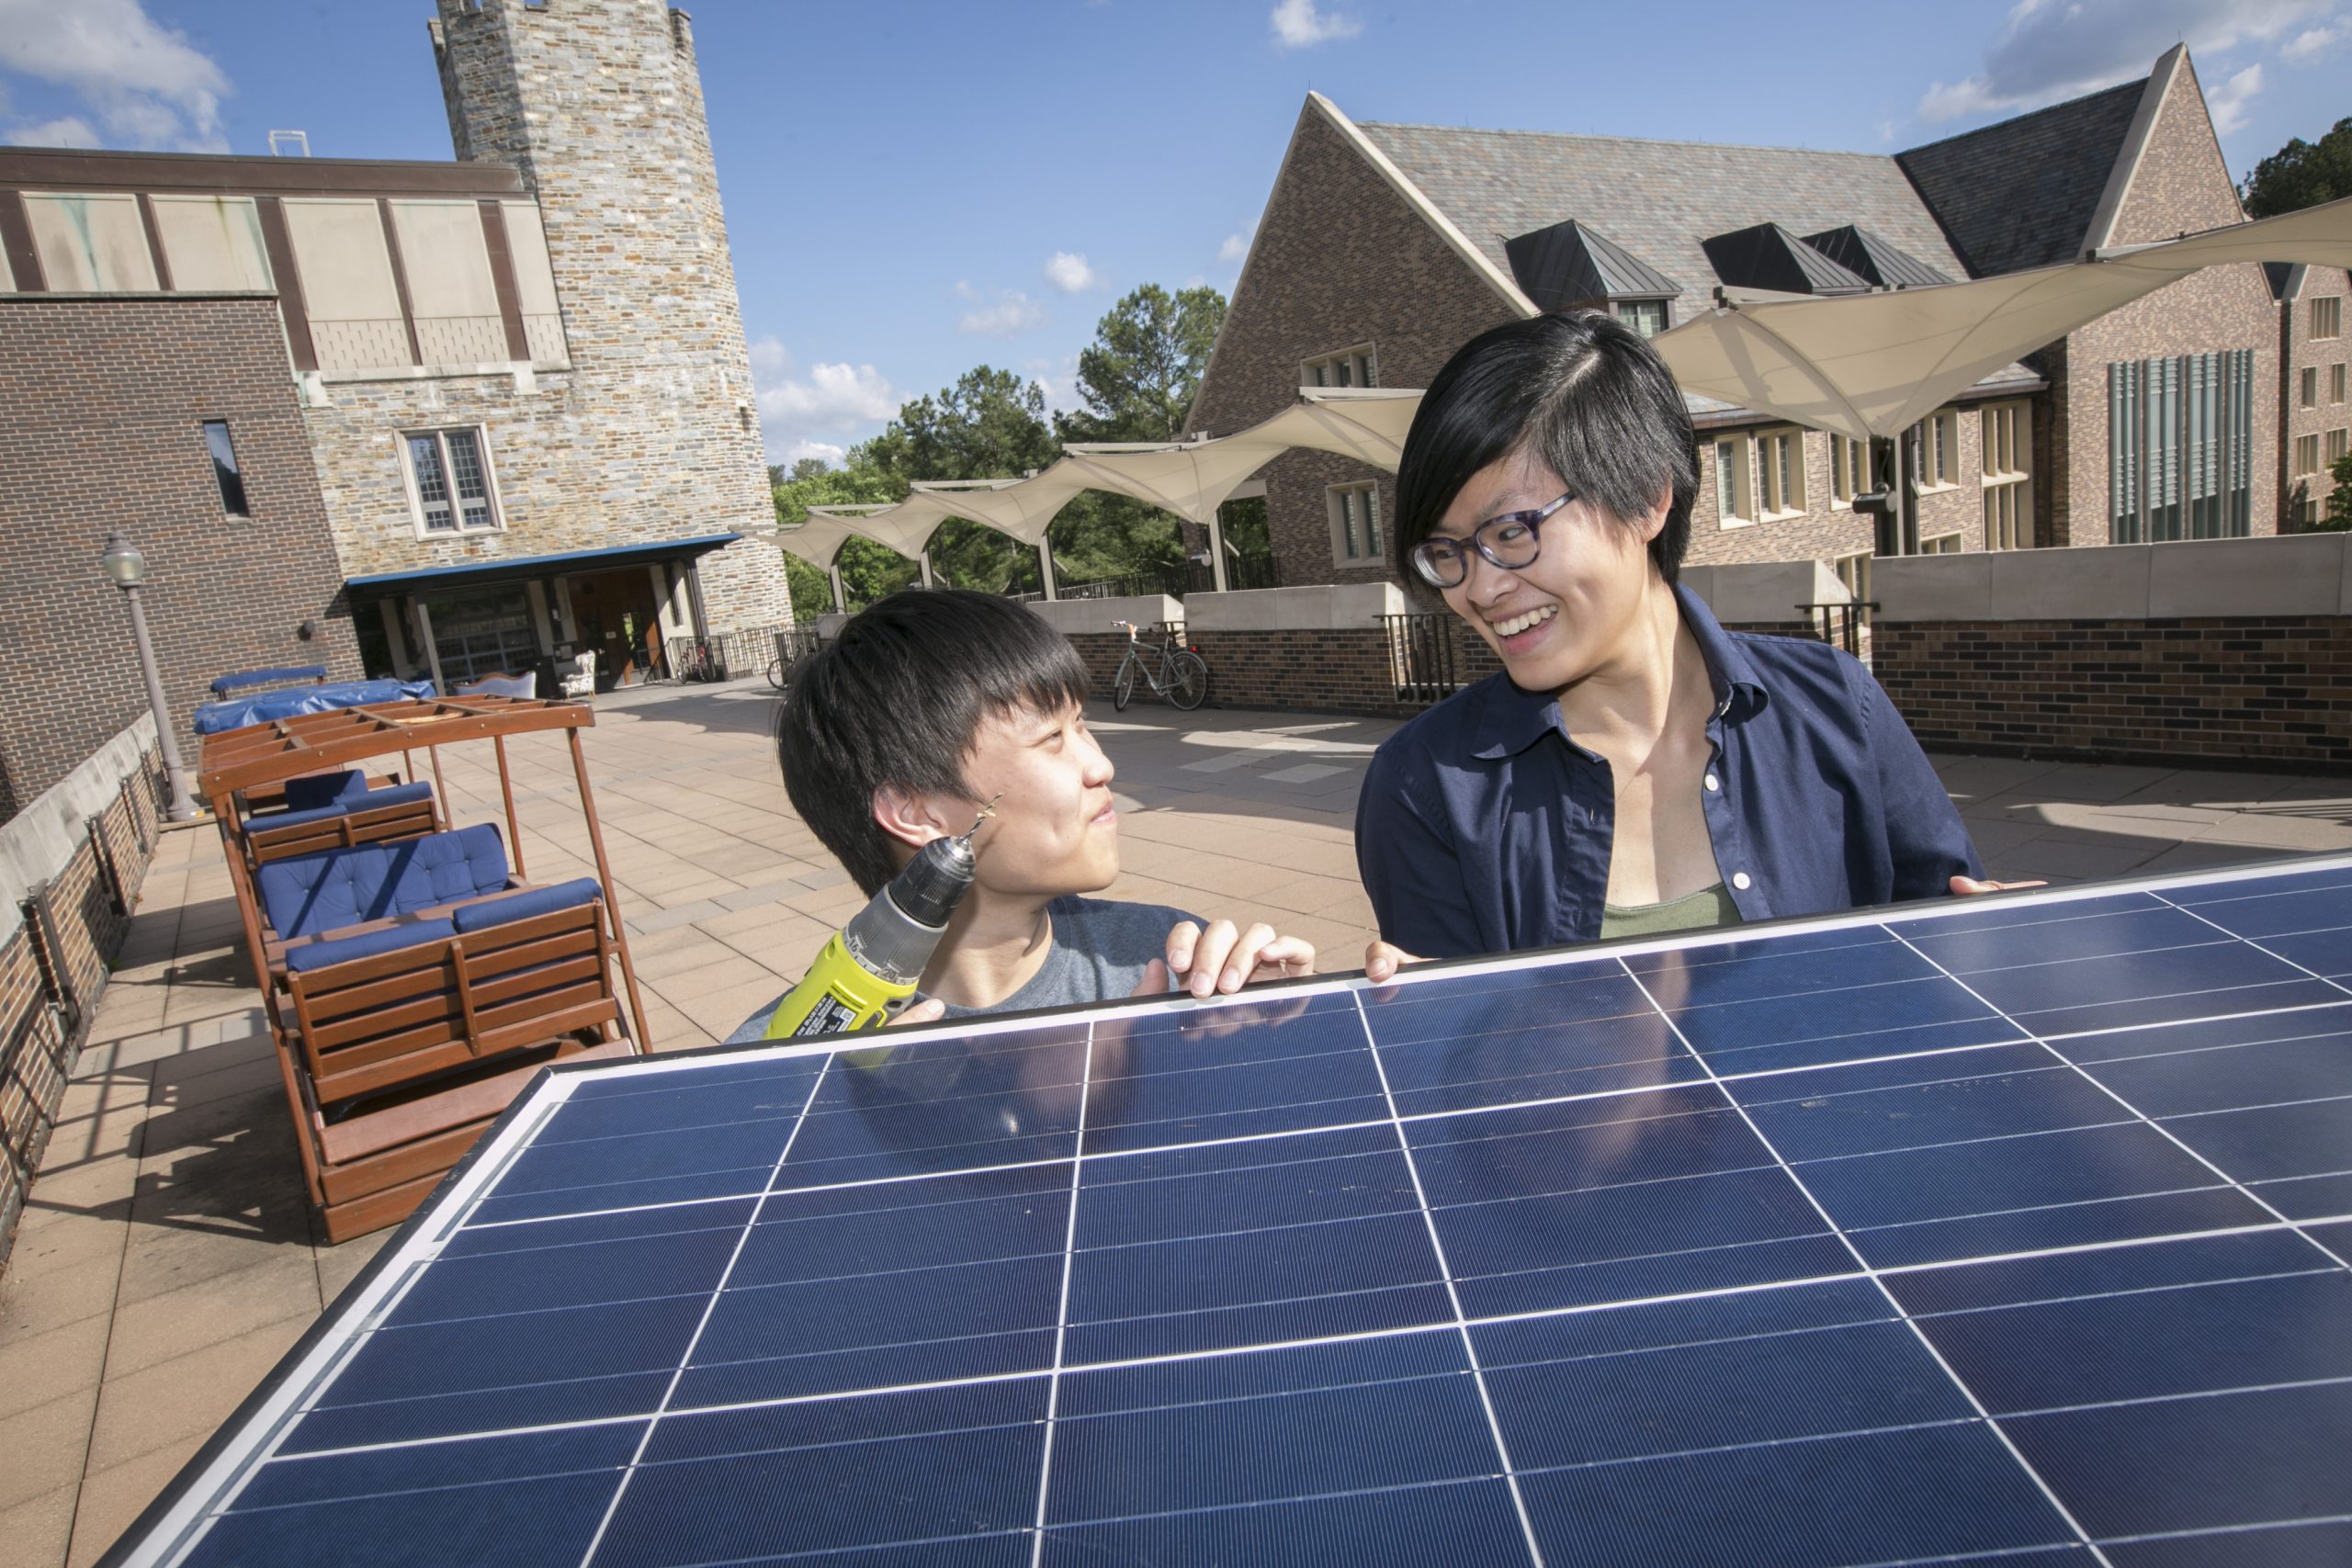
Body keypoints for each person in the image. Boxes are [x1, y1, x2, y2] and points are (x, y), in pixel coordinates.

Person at [1358, 310, 2024, 975]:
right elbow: (1452, 1061)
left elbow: (1946, 956)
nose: (1478, 588)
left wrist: (2019, 938)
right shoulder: (1423, 788)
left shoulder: (1837, 708)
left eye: (1510, 531)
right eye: (1448, 551)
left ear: (1649, 497)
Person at [728, 589, 1312, 1039]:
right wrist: (826, 1115)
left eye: (1082, 725)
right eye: (1051, 738)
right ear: (916, 809)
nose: (1101, 766)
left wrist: (1302, 1023)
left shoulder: (1171, 959)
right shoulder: (771, 1073)